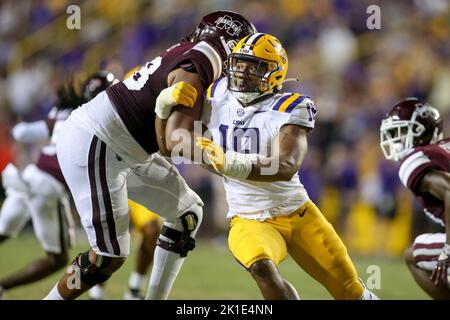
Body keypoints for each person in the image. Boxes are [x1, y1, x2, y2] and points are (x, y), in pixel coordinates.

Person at [43, 11, 256, 300]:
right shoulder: (203, 61)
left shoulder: (192, 55)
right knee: (108, 256)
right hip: (99, 142)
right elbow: (173, 141)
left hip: (126, 148)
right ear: (230, 47)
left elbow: (165, 141)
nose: (246, 68)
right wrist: (233, 165)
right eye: (245, 56)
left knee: (187, 214)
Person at [157, 33, 378, 299]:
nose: (244, 71)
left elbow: (286, 165)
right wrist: (162, 111)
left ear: (274, 72)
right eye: (240, 63)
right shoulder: (216, 94)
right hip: (248, 219)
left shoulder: (290, 106)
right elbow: (171, 147)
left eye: (255, 66)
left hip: (297, 214)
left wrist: (227, 162)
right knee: (262, 268)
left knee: (350, 291)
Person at [0, 72, 115, 299]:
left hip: (28, 176)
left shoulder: (63, 110)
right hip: (49, 187)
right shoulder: (99, 117)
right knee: (58, 259)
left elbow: (21, 132)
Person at [379, 97, 450, 299]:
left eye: (400, 131)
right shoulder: (444, 147)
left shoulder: (415, 159)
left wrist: (448, 249)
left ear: (418, 131)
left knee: (412, 255)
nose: (396, 138)